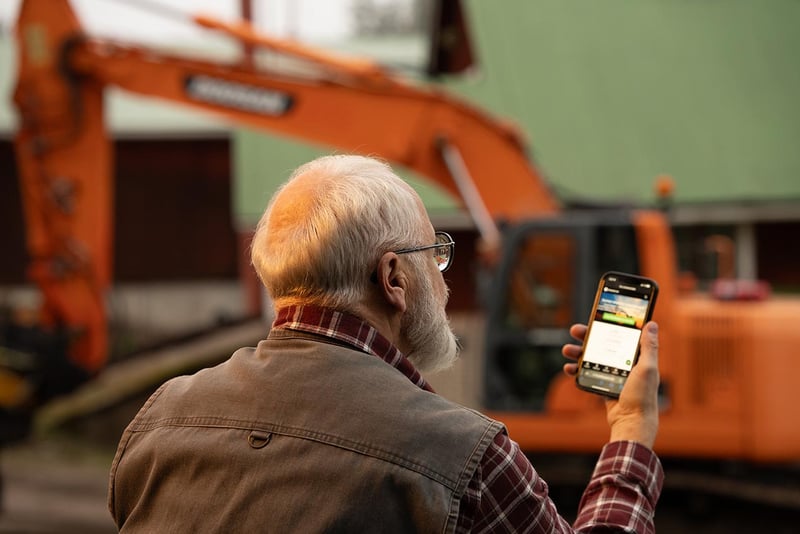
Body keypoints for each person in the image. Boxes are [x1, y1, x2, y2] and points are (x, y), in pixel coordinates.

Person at [108, 154, 663, 533]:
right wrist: (631, 427)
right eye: (435, 255)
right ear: (393, 278)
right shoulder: (466, 457)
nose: (444, 280)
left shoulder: (158, 423)